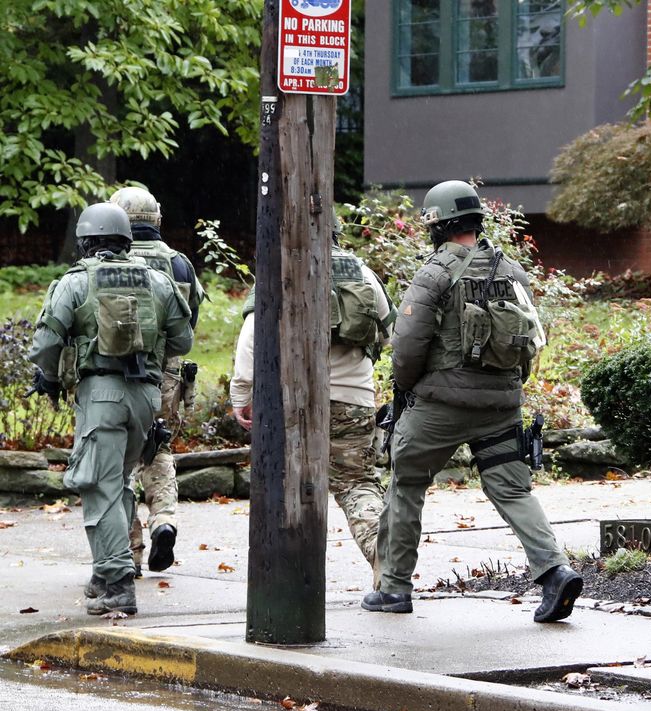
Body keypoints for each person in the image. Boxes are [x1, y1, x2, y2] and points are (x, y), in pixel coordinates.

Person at [364, 180, 582, 621]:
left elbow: (407, 346)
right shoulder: (512, 271)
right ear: (477, 222)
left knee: (406, 484)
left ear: (437, 225)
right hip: (501, 407)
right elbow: (530, 340)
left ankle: (394, 589)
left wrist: (405, 390)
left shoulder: (434, 273)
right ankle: (555, 571)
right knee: (513, 490)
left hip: (438, 409)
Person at [26, 203, 193, 615]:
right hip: (145, 398)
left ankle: (118, 583)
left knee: (98, 488)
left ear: (85, 241)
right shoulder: (156, 280)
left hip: (101, 395)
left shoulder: (76, 282)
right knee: (116, 483)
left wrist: (49, 375)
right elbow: (183, 341)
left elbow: (46, 343)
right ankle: (105, 574)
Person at [230, 220, 395, 587]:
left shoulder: (281, 268)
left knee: (288, 483)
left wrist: (242, 394)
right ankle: (387, 559)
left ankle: (289, 579)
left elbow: (252, 338)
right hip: (353, 398)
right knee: (356, 483)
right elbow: (388, 335)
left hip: (293, 401)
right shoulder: (362, 271)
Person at [109, 186, 205, 576]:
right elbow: (190, 324)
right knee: (158, 446)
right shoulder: (179, 264)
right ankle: (164, 519)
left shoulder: (112, 258)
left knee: (118, 460)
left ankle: (129, 550)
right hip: (165, 373)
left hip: (119, 372)